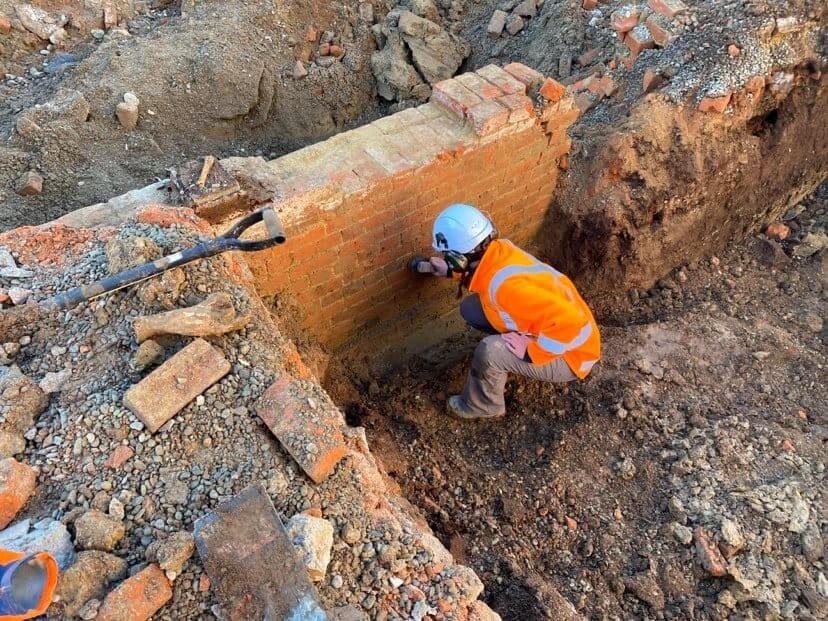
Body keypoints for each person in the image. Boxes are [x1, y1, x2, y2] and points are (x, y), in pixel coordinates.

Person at [418, 204, 601, 420]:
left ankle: (483, 406)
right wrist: (451, 272)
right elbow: (484, 275)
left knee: (490, 351)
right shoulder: (500, 252)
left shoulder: (508, 289)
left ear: (460, 257)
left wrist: (533, 350)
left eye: (449, 257)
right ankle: (513, 355)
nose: (447, 258)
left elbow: (572, 323)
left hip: (571, 355)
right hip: (553, 328)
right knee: (473, 309)